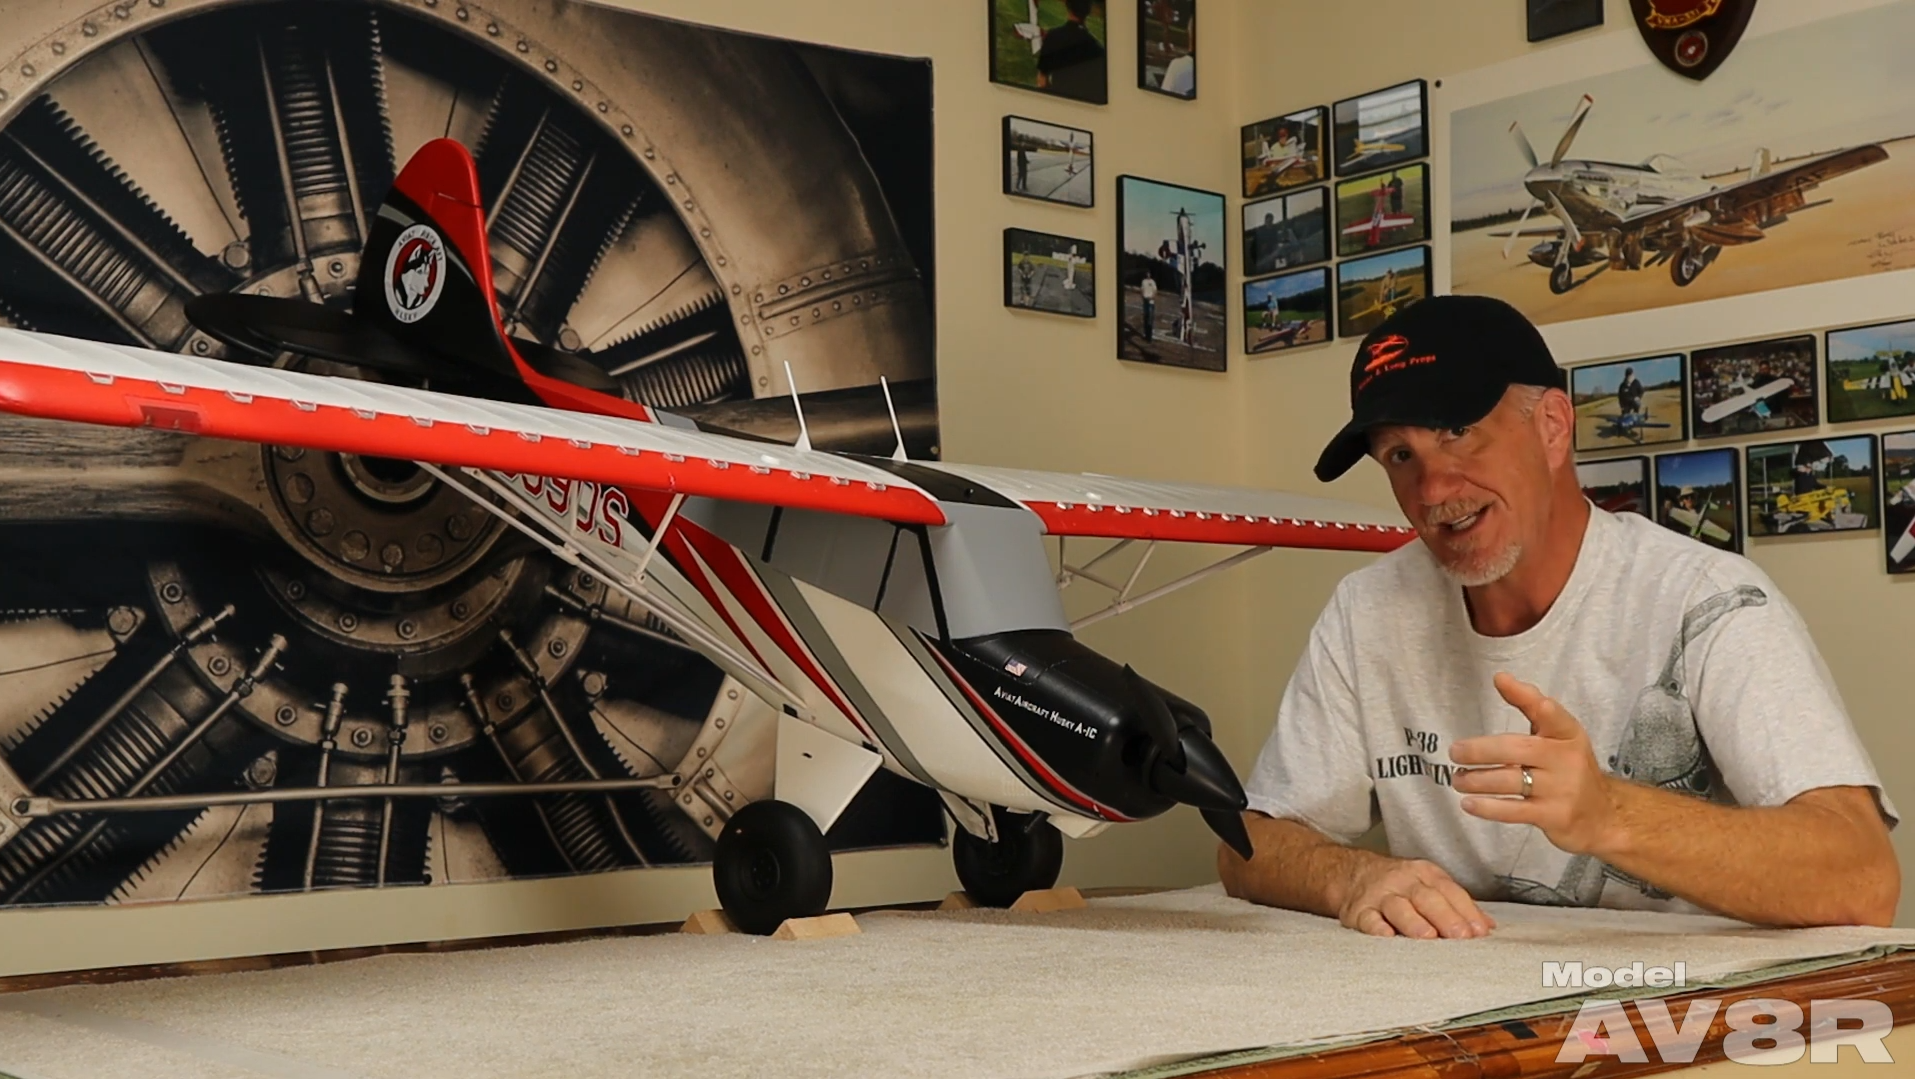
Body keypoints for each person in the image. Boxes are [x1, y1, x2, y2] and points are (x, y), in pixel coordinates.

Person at [1218, 295, 1899, 937]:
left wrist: (1610, 814)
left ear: (1551, 427)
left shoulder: (1705, 596)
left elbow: (1863, 877)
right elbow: (1248, 844)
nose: (1432, 489)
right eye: (1401, 455)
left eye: (1459, 433)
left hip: (1671, 1005)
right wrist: (1354, 877)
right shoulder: (1365, 609)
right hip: (1458, 998)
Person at [1035, 0, 1106, 102]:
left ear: (1068, 7)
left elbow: (1042, 81)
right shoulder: (1097, 49)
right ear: (1088, 11)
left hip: (1059, 102)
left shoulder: (1053, 36)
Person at [1139, 273, 1158, 340]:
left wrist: (1152, 297)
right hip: (1145, 301)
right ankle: (1146, 334)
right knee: (1145, 317)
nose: (1148, 275)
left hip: (1151, 301)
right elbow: (1142, 290)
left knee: (1150, 319)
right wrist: (1143, 297)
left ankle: (1149, 336)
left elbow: (1155, 291)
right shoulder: (1143, 281)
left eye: (1149, 274)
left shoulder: (1152, 282)